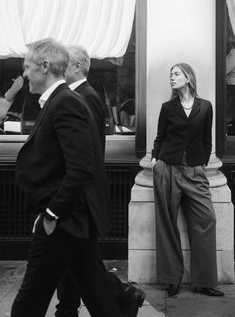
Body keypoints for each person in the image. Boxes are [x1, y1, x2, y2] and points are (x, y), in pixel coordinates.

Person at [11, 38, 123, 317]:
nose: (25, 75)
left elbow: (82, 167)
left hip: (63, 221)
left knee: (29, 300)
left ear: (45, 66)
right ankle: (125, 303)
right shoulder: (59, 101)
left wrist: (51, 213)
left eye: (27, 67)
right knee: (98, 293)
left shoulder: (66, 103)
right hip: (71, 220)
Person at [54, 44, 145, 317]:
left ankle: (119, 295)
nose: (60, 69)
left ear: (78, 66)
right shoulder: (76, 95)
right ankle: (70, 307)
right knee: (75, 259)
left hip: (83, 194)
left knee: (79, 260)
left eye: (65, 64)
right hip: (78, 194)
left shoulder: (87, 96)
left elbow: (87, 151)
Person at [151, 63, 224, 297]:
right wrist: (155, 162)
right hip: (168, 168)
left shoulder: (205, 107)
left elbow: (206, 139)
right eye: (170, 74)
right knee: (167, 224)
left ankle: (204, 281)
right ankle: (171, 279)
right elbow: (160, 137)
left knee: (206, 219)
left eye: (176, 74)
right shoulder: (167, 107)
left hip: (194, 170)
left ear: (188, 78)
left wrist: (201, 162)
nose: (171, 78)